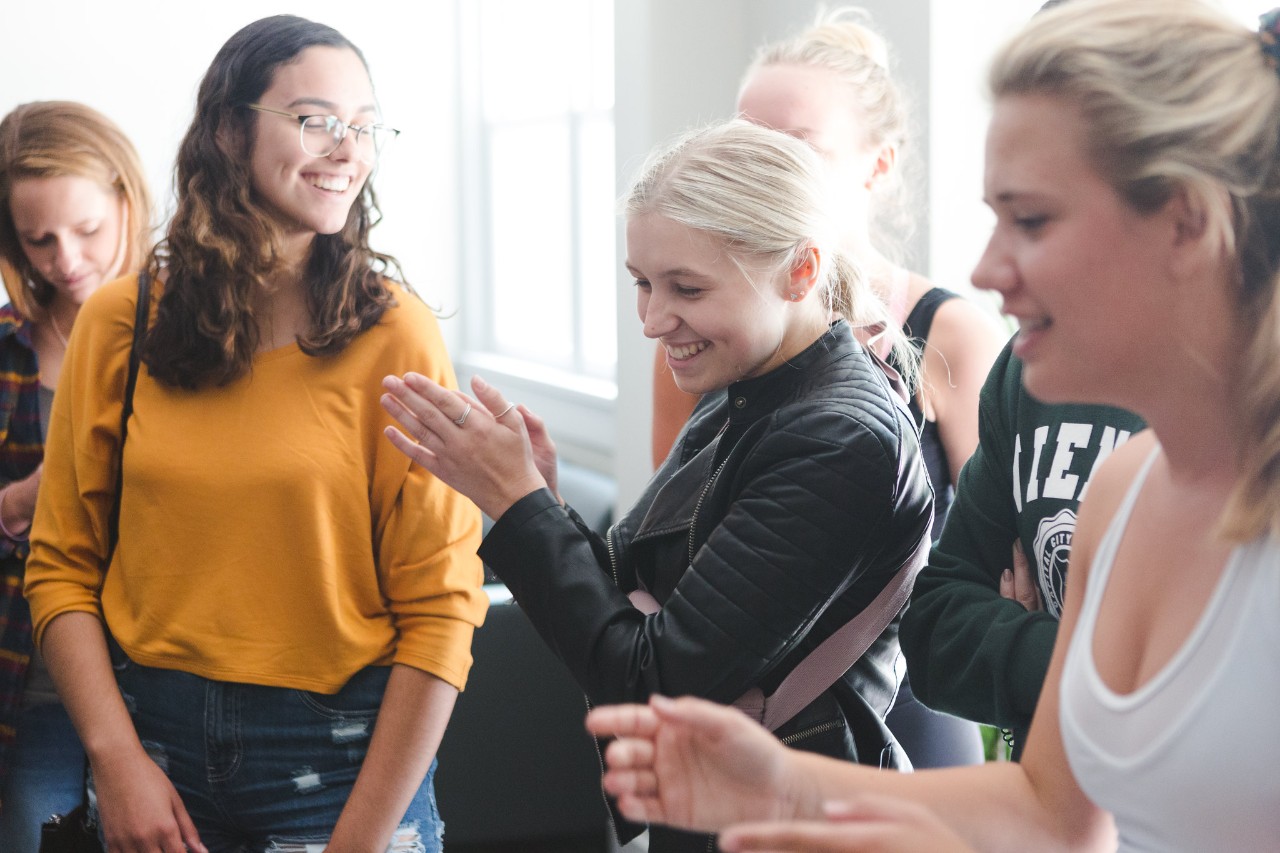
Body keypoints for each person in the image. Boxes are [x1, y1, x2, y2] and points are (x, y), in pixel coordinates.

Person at [586, 1, 1280, 850]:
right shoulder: (1125, 495)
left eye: (1030, 220)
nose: (987, 269)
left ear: (1186, 219)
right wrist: (784, 781)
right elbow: (1055, 817)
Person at [381, 119, 934, 852]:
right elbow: (628, 597)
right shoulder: (750, 388)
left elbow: (649, 681)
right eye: (642, 283)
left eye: (686, 287)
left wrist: (522, 508)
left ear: (801, 270)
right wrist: (540, 500)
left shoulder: (840, 437)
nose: (651, 320)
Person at [23, 16, 487, 853]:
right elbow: (60, 567)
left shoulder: (397, 335)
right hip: (151, 748)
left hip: (345, 760)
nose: (348, 148)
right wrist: (116, 758)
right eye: (316, 119)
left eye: (365, 126)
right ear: (232, 131)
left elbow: (442, 611)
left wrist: (359, 842)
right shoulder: (118, 322)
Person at [0, 100, 152, 852]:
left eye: (87, 229)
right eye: (39, 240)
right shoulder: (8, 347)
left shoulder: (190, 334)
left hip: (169, 688)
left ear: (127, 200)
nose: (65, 258)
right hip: (36, 685)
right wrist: (17, 502)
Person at [901, 341, 1145, 759]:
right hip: (1046, 798)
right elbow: (932, 627)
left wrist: (1023, 653)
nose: (987, 276)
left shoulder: (1250, 381)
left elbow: (1189, 685)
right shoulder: (1030, 362)